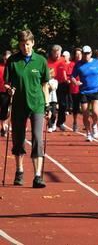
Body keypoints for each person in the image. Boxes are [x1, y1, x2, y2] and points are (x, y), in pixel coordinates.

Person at [4, 29, 51, 188]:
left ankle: (38, 176)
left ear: (33, 43)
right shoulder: (12, 61)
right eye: (23, 45)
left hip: (37, 104)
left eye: (28, 44)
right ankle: (19, 171)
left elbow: (45, 85)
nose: (26, 48)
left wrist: (48, 104)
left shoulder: (41, 61)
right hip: (19, 105)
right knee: (18, 139)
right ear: (19, 44)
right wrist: (9, 89)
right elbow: (7, 83)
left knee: (38, 138)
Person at [71, 45, 98, 141]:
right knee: (85, 114)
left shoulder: (97, 62)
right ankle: (88, 133)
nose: (86, 55)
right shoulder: (79, 64)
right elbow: (72, 76)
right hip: (84, 91)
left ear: (91, 53)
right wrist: (76, 82)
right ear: (82, 54)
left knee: (96, 113)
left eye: (88, 53)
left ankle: (94, 125)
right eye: (85, 53)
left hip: (96, 90)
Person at [47, 44, 67, 131]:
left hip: (62, 84)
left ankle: (60, 122)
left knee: (63, 104)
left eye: (59, 53)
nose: (57, 55)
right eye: (56, 53)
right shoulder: (47, 62)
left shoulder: (64, 60)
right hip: (52, 85)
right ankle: (51, 124)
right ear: (52, 53)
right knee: (52, 105)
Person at [70, 47, 82, 132]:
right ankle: (75, 122)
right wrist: (75, 82)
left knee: (86, 106)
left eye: (80, 54)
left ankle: (86, 123)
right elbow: (70, 75)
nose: (78, 56)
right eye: (76, 54)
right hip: (75, 88)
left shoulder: (85, 63)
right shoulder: (72, 64)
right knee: (76, 107)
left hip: (85, 87)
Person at [0, 50, 12, 136]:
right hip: (0, 91)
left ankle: (4, 126)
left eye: (7, 59)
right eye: (4, 59)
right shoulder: (0, 67)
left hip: (8, 92)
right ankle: (3, 127)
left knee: (6, 110)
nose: (6, 61)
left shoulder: (12, 68)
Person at [47, 69, 58, 133]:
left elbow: (53, 88)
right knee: (48, 113)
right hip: (47, 99)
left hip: (53, 99)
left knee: (53, 114)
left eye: (50, 74)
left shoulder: (55, 81)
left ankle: (53, 122)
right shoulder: (45, 81)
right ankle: (50, 126)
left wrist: (48, 83)